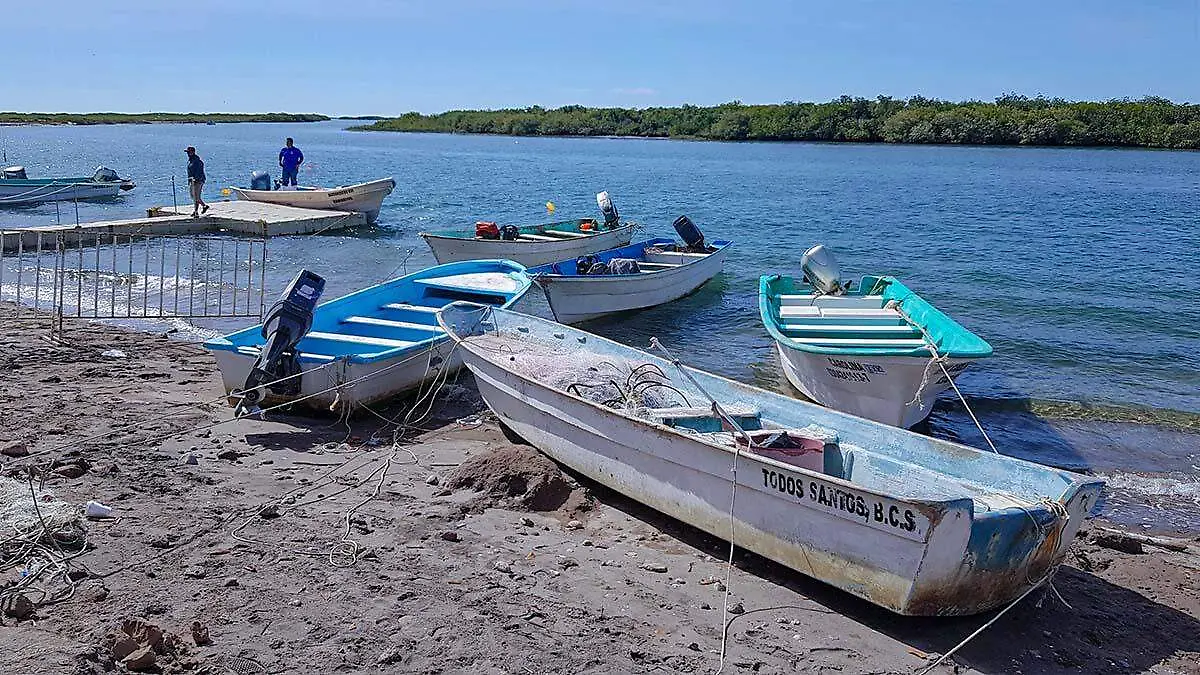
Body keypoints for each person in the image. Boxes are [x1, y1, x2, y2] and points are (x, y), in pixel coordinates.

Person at [185, 146, 208, 217]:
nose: (188, 153)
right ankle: (204, 206)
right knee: (193, 196)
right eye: (187, 152)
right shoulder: (190, 160)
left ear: (193, 152)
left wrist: (196, 179)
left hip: (198, 181)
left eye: (189, 152)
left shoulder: (197, 161)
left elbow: (199, 171)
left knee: (196, 197)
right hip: (192, 181)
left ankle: (196, 211)